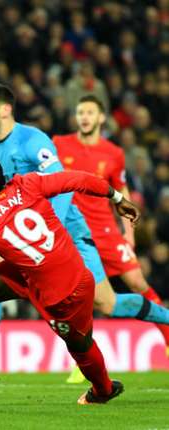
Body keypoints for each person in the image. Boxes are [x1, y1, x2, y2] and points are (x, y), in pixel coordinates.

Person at [0, 83, 169, 393]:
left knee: (108, 303)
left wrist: (48, 235)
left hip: (68, 235)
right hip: (35, 240)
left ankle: (166, 319)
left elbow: (62, 186)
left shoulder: (32, 140)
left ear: (5, 109)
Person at [0, 153, 147, 404]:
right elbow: (79, 179)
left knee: (79, 344)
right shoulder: (29, 183)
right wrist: (117, 197)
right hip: (36, 273)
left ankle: (103, 390)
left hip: (65, 292)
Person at [54, 95, 169, 380]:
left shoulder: (113, 153)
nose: (84, 117)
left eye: (90, 112)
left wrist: (128, 230)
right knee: (83, 294)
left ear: (101, 118)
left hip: (106, 230)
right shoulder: (60, 144)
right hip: (75, 232)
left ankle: (167, 336)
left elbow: (122, 191)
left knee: (137, 281)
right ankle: (82, 360)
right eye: (80, 112)